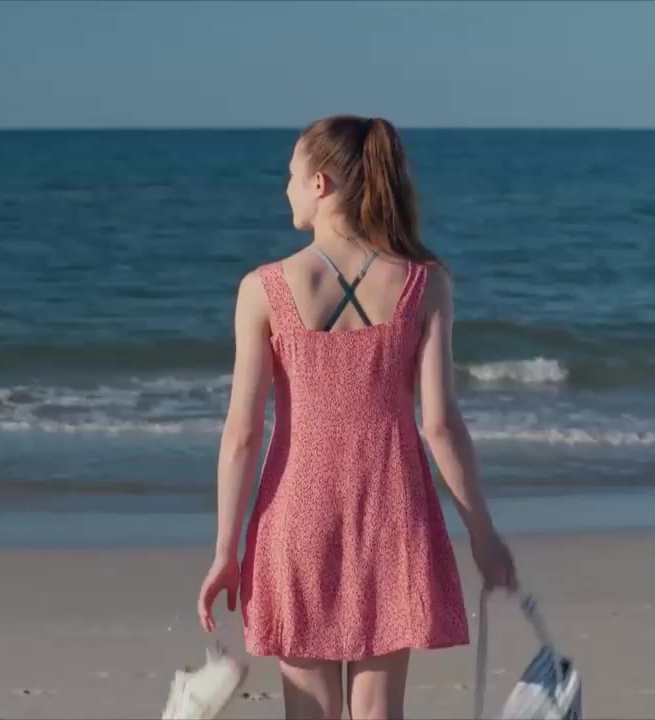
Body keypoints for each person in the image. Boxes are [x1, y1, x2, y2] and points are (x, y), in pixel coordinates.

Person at [195, 114, 519, 720]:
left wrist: (225, 550)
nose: (285, 188)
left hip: (296, 513)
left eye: (290, 175)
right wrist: (483, 534)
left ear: (319, 184)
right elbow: (441, 425)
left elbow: (242, 434)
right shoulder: (424, 283)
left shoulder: (263, 289)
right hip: (392, 511)